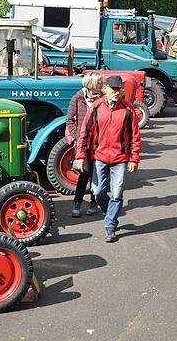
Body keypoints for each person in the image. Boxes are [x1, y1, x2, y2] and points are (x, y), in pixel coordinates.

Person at [75, 76, 141, 243]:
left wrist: (134, 158)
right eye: (114, 89)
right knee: (97, 192)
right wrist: (80, 156)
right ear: (105, 89)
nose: (116, 92)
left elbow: (135, 135)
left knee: (117, 192)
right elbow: (85, 133)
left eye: (119, 89)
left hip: (120, 158)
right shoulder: (96, 107)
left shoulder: (127, 109)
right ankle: (110, 213)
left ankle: (110, 225)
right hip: (100, 157)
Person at [66, 72, 104, 217]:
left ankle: (94, 203)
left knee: (98, 174)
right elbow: (69, 119)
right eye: (99, 84)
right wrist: (77, 137)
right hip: (83, 143)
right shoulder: (78, 97)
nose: (101, 86)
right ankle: (77, 202)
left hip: (100, 143)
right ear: (92, 85)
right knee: (85, 172)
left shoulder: (102, 98)